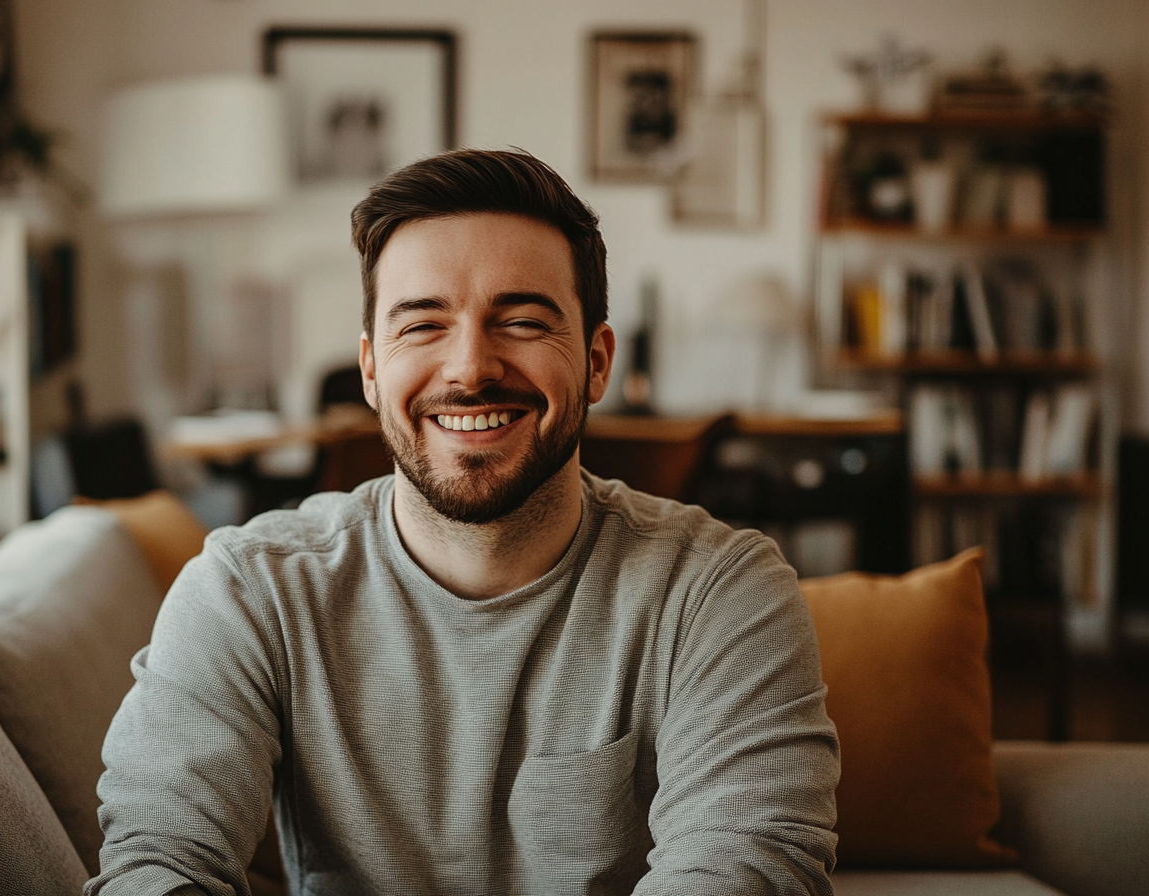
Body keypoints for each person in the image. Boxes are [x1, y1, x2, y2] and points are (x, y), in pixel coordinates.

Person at [87, 149, 839, 896]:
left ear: (598, 360)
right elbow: (157, 861)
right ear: (371, 367)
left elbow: (748, 867)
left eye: (521, 320)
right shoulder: (251, 593)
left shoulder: (717, 591)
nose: (471, 367)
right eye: (422, 325)